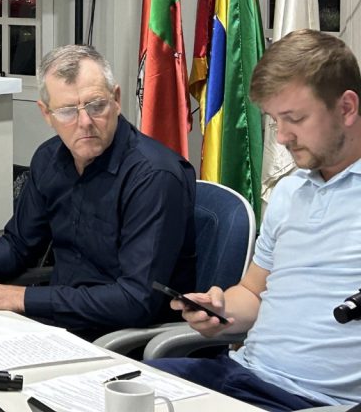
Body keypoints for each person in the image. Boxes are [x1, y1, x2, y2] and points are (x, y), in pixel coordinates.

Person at [0, 44, 196, 339]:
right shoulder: (49, 158)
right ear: (46, 114)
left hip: (121, 339)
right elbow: (18, 245)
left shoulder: (154, 176)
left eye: (96, 106)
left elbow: (135, 300)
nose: (85, 122)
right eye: (67, 111)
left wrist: (17, 297)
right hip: (58, 323)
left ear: (117, 100)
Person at [148, 29, 361, 412]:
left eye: (294, 119)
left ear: (346, 108)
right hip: (243, 374)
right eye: (275, 121)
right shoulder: (291, 190)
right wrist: (218, 309)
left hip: (317, 401)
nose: (282, 138)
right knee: (117, 391)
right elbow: (252, 293)